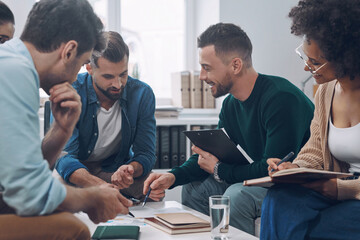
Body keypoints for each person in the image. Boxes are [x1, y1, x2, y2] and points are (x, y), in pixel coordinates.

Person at [143, 23, 314, 235]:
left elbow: (272, 170)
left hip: (292, 186)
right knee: (194, 189)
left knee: (236, 195)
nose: (202, 77)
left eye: (207, 68)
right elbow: (211, 156)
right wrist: (172, 177)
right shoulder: (231, 104)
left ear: (235, 65)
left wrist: (219, 170)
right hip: (258, 182)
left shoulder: (281, 99)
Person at [0, 1, 132, 240]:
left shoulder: (13, 64)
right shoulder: (15, 73)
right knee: (73, 229)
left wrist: (61, 130)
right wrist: (92, 198)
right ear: (68, 51)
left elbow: (25, 176)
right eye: (82, 64)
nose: (75, 76)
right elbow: (29, 195)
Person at [261, 0, 360, 239]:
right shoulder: (326, 92)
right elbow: (315, 150)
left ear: (347, 56)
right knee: (278, 199)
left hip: (350, 192)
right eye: (305, 58)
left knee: (320, 229)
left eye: (315, 62)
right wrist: (294, 168)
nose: (307, 68)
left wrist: (342, 190)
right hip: (336, 187)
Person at [55, 31, 156, 200]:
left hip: (114, 168)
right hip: (79, 170)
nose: (118, 84)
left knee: (152, 190)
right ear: (89, 69)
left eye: (123, 74)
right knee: (63, 194)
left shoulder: (142, 94)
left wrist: (130, 169)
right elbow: (64, 157)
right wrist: (100, 185)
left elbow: (146, 153)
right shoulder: (70, 91)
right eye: (108, 77)